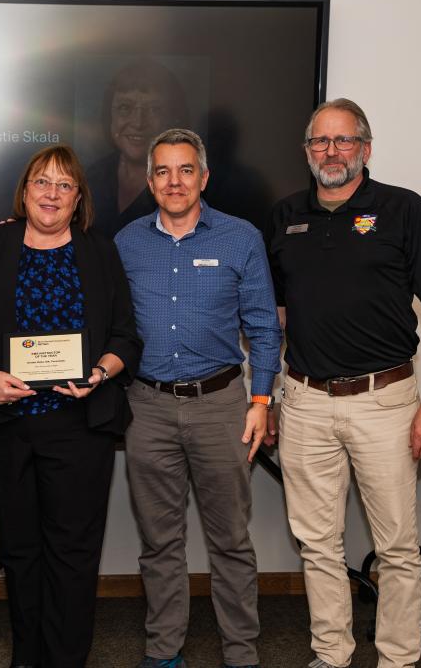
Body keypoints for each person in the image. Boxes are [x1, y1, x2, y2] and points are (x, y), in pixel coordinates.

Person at [265, 98, 421, 668]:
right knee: (318, 545)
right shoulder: (283, 216)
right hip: (303, 400)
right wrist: (267, 393)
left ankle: (399, 658)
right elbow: (274, 312)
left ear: (365, 149)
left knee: (397, 546)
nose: (331, 152)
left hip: (386, 400)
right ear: (307, 152)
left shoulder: (403, 210)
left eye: (343, 141)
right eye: (320, 142)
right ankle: (332, 654)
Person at [0, 145, 142, 668]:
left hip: (79, 423)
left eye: (64, 185)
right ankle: (27, 657)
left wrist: (99, 374)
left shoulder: (100, 252)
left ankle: (65, 659)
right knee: (20, 550)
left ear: (78, 197)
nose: (52, 194)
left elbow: (126, 337)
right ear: (25, 190)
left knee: (73, 556)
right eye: (42, 182)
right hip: (4, 424)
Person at [114, 128, 281, 668]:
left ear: (204, 177)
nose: (174, 181)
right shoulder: (127, 242)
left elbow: (262, 326)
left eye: (186, 170)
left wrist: (261, 401)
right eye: (162, 171)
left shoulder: (240, 238)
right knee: (160, 542)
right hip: (149, 407)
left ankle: (240, 651)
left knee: (230, 539)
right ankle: (164, 651)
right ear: (150, 181)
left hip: (222, 405)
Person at [86, 58, 190, 239]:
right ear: (109, 115)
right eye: (125, 107)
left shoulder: (188, 186)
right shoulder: (89, 177)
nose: (138, 122)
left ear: (174, 118)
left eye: (154, 109)